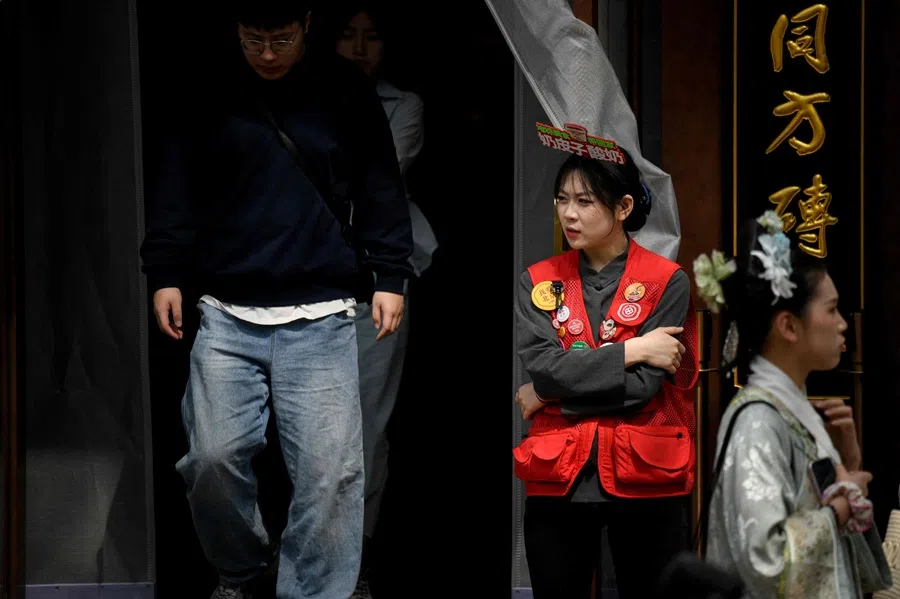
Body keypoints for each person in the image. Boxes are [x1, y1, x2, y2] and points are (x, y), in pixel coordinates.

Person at [138, 1, 414, 597]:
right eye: (253, 39)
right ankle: (240, 569)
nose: (266, 54)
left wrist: (390, 275)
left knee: (328, 477)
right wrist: (165, 271)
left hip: (320, 312)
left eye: (280, 39)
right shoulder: (208, 89)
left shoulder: (342, 89)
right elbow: (175, 184)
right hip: (226, 309)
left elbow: (379, 185)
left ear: (307, 26)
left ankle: (312, 591)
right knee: (211, 458)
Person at [513, 123, 698, 599]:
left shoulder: (667, 280)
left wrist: (550, 397)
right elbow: (544, 368)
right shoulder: (537, 280)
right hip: (560, 478)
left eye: (585, 201)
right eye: (561, 199)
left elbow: (643, 390)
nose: (568, 214)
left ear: (623, 208)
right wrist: (634, 350)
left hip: (646, 475)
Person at [698, 211, 892, 597]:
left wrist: (848, 465)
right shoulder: (758, 422)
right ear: (788, 326)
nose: (842, 324)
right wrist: (839, 510)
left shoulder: (789, 411)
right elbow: (765, 560)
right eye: (832, 308)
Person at [329, 3, 437, 597]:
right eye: (348, 35)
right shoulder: (299, 97)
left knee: (367, 426)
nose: (360, 47)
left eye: (372, 36)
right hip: (304, 280)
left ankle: (358, 563)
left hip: (378, 277)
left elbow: (375, 179)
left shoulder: (403, 105)